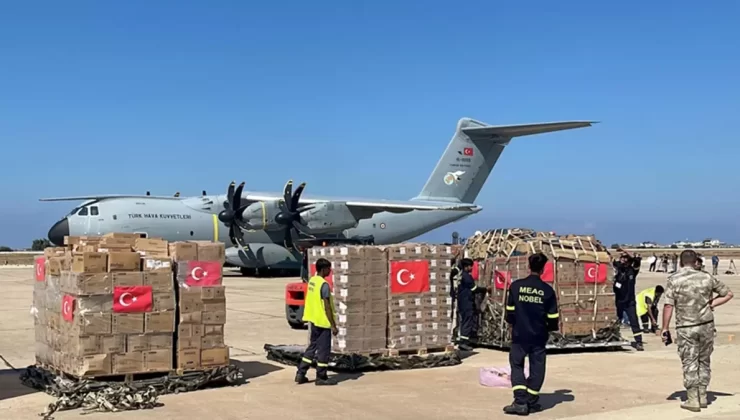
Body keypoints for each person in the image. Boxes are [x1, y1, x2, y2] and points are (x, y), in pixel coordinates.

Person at [662, 250, 733, 412]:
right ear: (696, 262)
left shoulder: (674, 279)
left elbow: (668, 305)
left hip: (686, 327)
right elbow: (728, 294)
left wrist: (665, 328)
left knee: (690, 361)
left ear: (680, 263)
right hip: (706, 325)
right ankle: (702, 395)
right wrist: (711, 304)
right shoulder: (707, 277)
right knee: (704, 360)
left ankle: (693, 398)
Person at [503, 252, 560, 416]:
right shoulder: (548, 291)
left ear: (528, 266)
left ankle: (520, 401)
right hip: (538, 335)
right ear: (543, 269)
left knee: (517, 365)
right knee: (537, 367)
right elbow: (553, 317)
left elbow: (510, 312)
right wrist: (549, 329)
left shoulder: (516, 286)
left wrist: (512, 324)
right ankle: (531, 401)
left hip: (520, 334)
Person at [295, 258, 338, 386]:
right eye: (329, 269)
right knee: (323, 350)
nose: (330, 271)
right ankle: (321, 377)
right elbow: (327, 306)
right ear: (323, 269)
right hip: (322, 321)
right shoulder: (324, 285)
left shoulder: (313, 281)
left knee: (312, 347)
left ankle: (301, 373)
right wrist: (333, 325)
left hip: (313, 320)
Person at [613, 249, 644, 351]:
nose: (623, 259)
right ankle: (614, 339)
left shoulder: (633, 270)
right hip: (618, 301)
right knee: (615, 322)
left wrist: (627, 253)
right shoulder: (618, 268)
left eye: (625, 258)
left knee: (634, 321)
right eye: (622, 257)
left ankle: (639, 342)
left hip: (630, 302)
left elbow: (637, 261)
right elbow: (610, 261)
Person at [455, 258, 484, 351]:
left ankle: (465, 340)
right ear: (466, 267)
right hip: (466, 302)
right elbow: (474, 289)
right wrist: (485, 289)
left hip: (463, 301)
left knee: (465, 320)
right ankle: (463, 343)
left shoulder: (461, 275)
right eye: (470, 266)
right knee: (467, 321)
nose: (471, 268)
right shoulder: (466, 276)